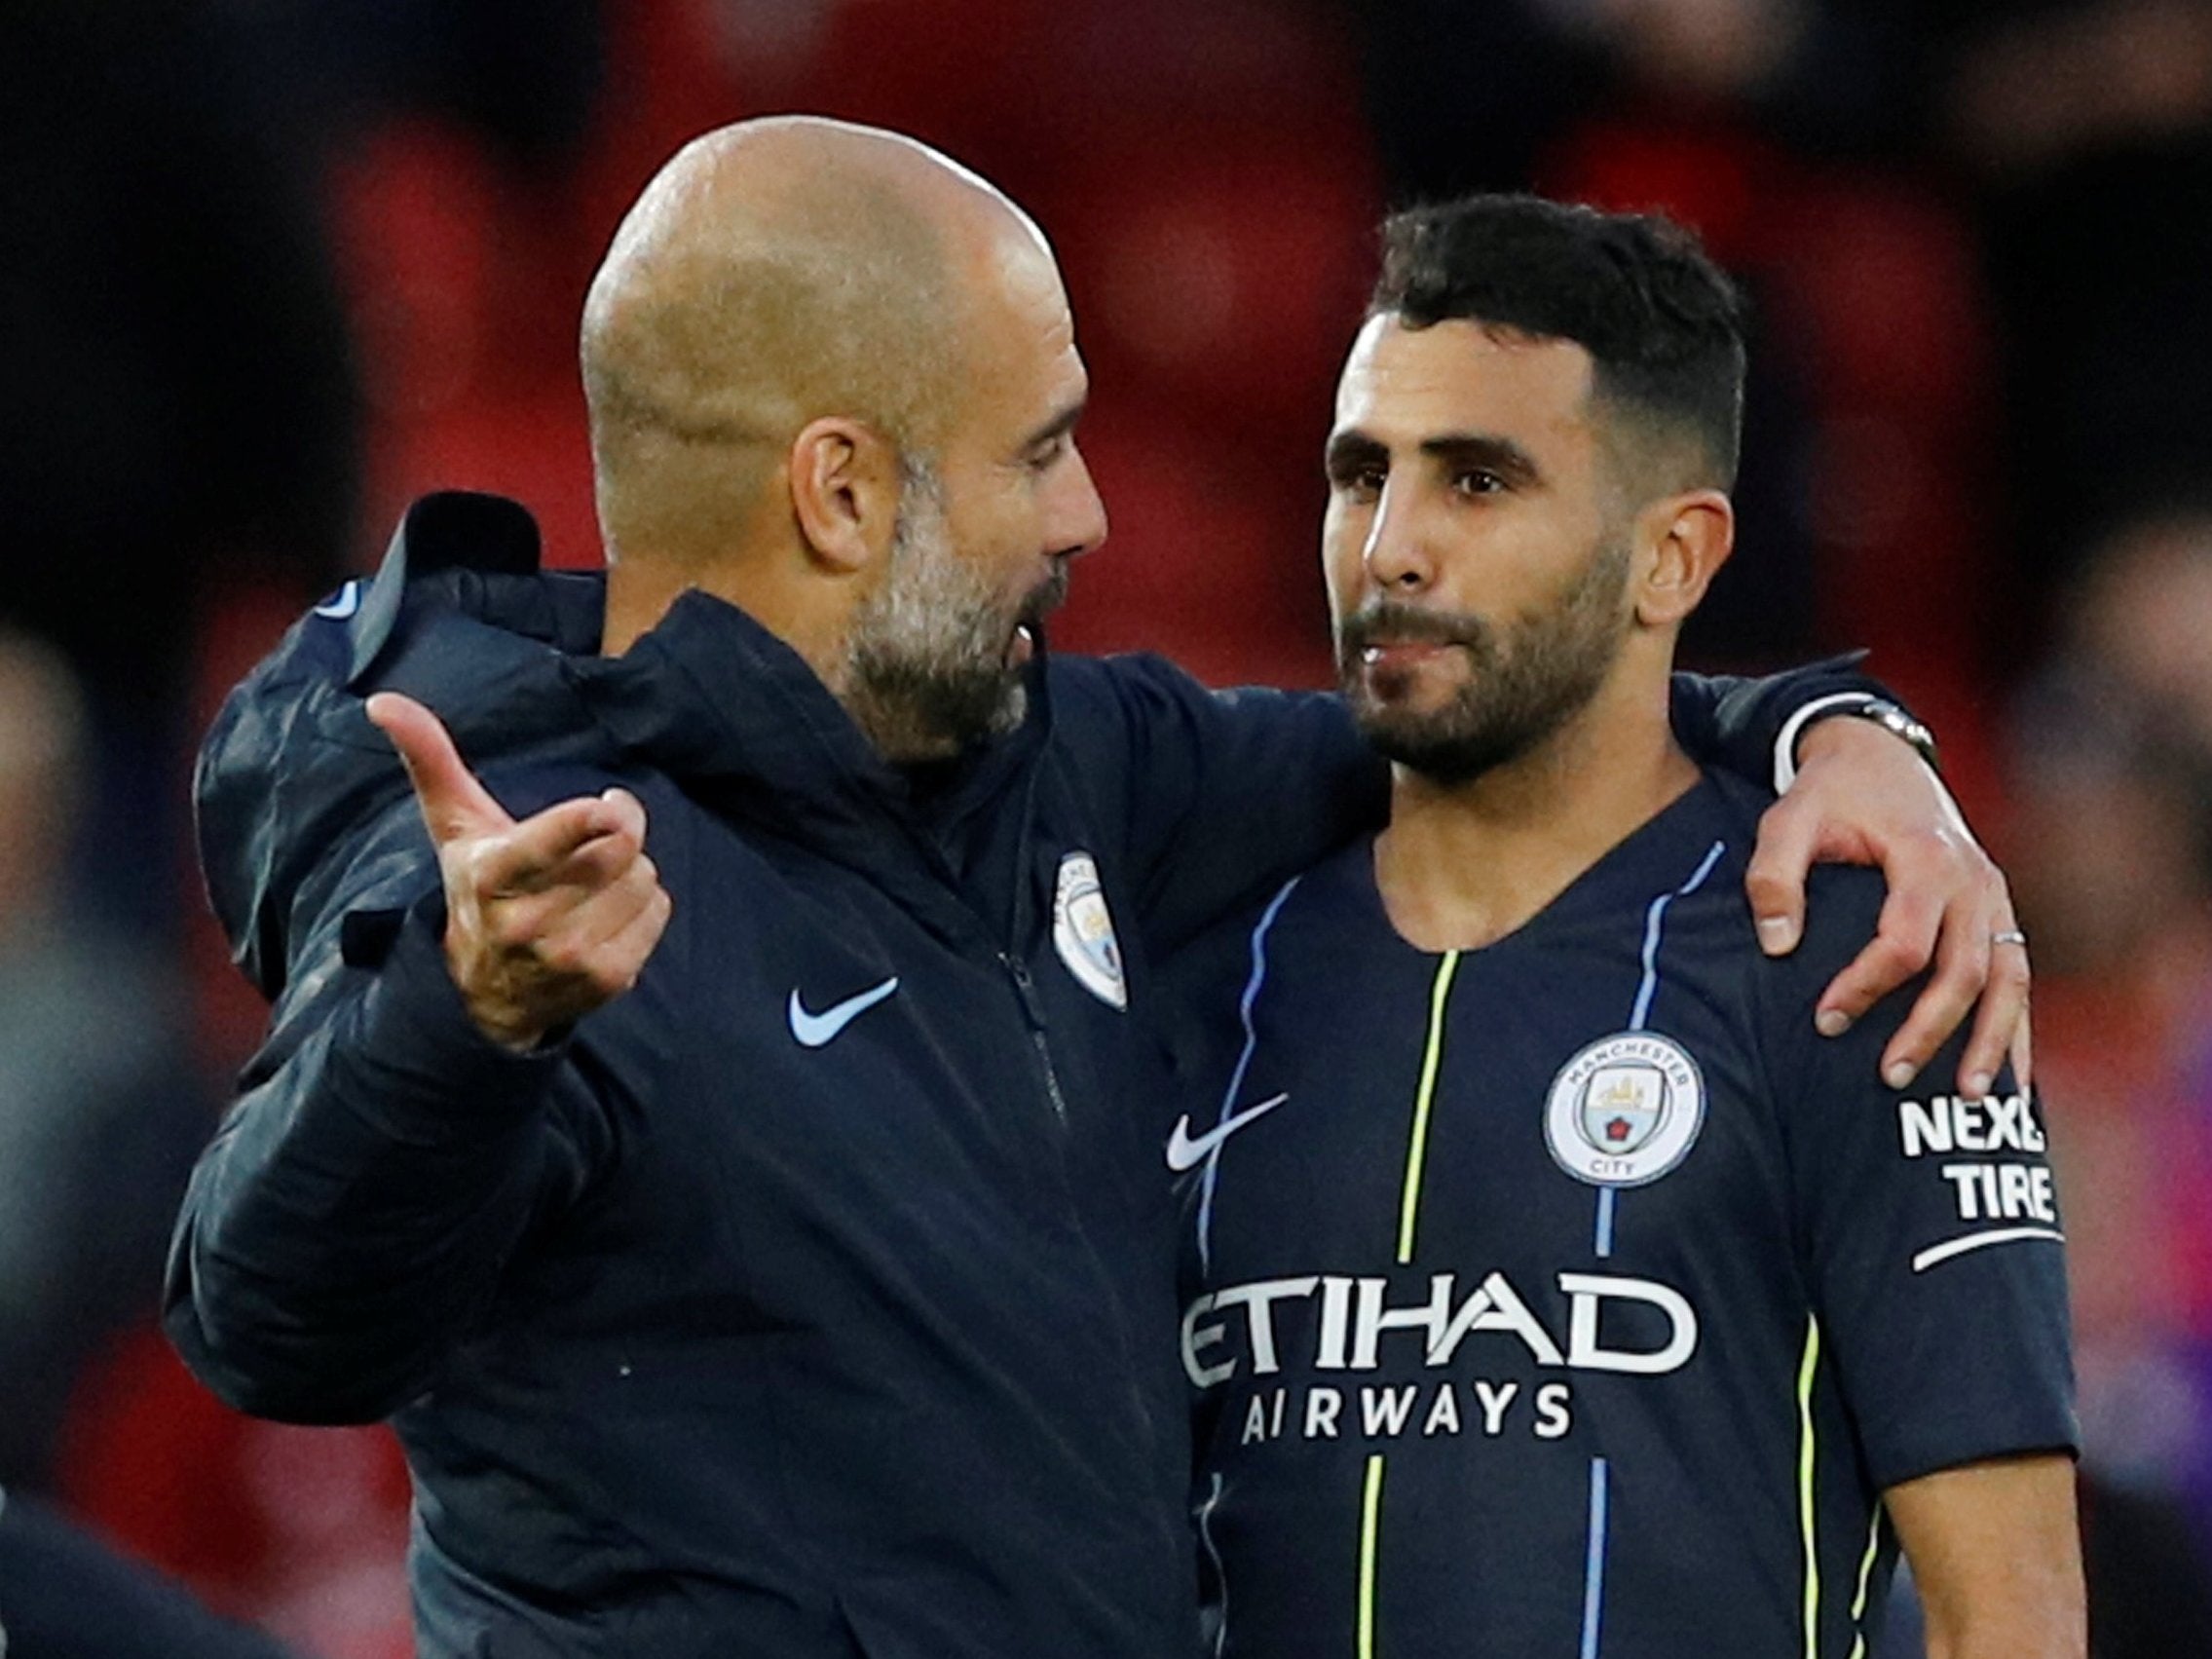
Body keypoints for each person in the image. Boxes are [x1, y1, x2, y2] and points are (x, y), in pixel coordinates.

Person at [169, 120, 2027, 1657]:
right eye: (1039, 449)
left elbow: (1512, 708)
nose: (1089, 520)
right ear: (840, 495)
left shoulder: (1063, 770)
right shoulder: (537, 871)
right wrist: (463, 1022)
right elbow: (268, 1314)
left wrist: (1834, 732)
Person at [1171, 196, 2079, 1659]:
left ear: (1673, 558)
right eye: (1361, 475)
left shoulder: (1865, 956)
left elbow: (2014, 1614)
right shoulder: (1201, 959)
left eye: (1477, 482)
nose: (1391, 548)